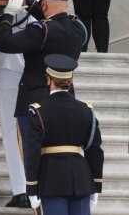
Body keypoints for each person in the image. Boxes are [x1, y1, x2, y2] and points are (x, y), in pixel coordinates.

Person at [0, 0, 87, 162]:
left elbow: (4, 43)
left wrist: (6, 14)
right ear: (66, 4)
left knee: (33, 158)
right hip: (65, 97)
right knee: (59, 153)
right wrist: (30, 2)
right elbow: (54, 18)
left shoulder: (40, 31)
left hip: (34, 101)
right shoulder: (78, 28)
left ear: (44, 5)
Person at [24, 54, 103, 214]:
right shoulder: (86, 110)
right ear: (71, 81)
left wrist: (31, 186)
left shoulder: (38, 110)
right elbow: (94, 150)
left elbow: (32, 152)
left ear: (49, 79)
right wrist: (96, 184)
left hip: (51, 178)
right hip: (81, 179)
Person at [0, 0, 41, 209]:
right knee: (19, 130)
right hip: (17, 68)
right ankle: (26, 188)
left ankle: (24, 189)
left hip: (20, 68)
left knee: (18, 130)